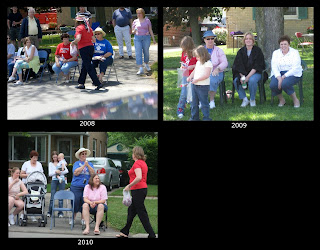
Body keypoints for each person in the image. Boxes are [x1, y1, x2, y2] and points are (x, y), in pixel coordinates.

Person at [116, 146, 156, 238]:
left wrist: (129, 186)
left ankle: (152, 234)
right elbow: (138, 175)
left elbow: (139, 177)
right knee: (131, 211)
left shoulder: (137, 163)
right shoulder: (143, 163)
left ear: (135, 154)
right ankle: (125, 231)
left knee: (141, 212)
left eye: (133, 153)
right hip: (141, 190)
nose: (132, 155)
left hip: (138, 190)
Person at [232, 32, 266, 107]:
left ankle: (252, 99)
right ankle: (244, 99)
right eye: (246, 39)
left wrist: (247, 77)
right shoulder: (240, 51)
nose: (248, 40)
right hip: (243, 73)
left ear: (253, 41)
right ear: (244, 41)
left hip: (256, 73)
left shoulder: (258, 51)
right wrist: (243, 76)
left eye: (250, 39)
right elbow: (238, 65)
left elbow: (257, 66)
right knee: (236, 80)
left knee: (252, 80)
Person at [269, 35, 302, 108]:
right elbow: (274, 66)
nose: (283, 46)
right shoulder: (276, 53)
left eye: (285, 44)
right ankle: (281, 100)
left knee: (285, 84)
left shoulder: (295, 52)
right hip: (279, 72)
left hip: (293, 73)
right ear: (279, 45)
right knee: (273, 85)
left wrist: (283, 77)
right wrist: (278, 77)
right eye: (281, 44)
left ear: (289, 44)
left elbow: (295, 67)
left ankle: (295, 100)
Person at [71, 15, 103, 90]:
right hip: (90, 47)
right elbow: (94, 40)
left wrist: (73, 42)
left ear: (78, 21)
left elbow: (78, 38)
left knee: (88, 66)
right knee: (84, 66)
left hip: (83, 48)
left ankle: (97, 83)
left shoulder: (79, 28)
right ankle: (81, 83)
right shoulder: (89, 28)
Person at [203, 30, 228, 108]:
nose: (210, 40)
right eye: (208, 39)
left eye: (212, 38)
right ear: (204, 40)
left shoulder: (219, 50)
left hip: (217, 72)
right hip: (203, 72)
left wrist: (218, 68)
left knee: (212, 79)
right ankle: (201, 100)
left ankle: (211, 101)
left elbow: (225, 62)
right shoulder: (201, 50)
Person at [187, 45, 213, 121]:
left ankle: (206, 118)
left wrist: (197, 79)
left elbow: (206, 75)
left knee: (204, 103)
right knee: (194, 103)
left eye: (198, 57)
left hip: (203, 86)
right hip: (195, 85)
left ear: (203, 55)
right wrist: (190, 77)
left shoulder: (208, 63)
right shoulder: (198, 62)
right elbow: (194, 71)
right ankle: (194, 117)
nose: (197, 58)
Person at [70, 148, 95, 226]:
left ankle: (83, 218)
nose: (84, 155)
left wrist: (87, 165)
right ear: (79, 156)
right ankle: (73, 218)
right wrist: (84, 165)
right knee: (75, 201)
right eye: (82, 154)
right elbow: (76, 173)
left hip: (86, 186)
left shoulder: (90, 164)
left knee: (85, 202)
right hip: (76, 186)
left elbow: (93, 174)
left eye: (85, 154)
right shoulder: (76, 164)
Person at [177, 36, 197, 119]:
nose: (183, 49)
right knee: (183, 93)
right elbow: (182, 62)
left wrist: (192, 66)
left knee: (192, 93)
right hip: (185, 75)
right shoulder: (183, 53)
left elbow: (199, 64)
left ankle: (194, 109)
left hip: (194, 75)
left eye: (184, 47)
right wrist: (182, 66)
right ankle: (180, 109)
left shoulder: (195, 53)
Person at [132, 8, 156, 75]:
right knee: (138, 53)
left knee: (146, 51)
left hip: (146, 38)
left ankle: (146, 64)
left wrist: (153, 39)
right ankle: (140, 68)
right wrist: (134, 31)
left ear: (143, 14)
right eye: (137, 13)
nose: (138, 15)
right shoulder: (135, 21)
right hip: (137, 38)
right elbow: (132, 31)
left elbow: (150, 30)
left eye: (140, 13)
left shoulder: (147, 21)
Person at [47, 151, 69, 218]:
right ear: (52, 157)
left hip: (61, 180)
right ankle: (50, 212)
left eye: (56, 157)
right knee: (52, 196)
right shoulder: (51, 164)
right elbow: (50, 174)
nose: (55, 158)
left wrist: (60, 172)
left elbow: (66, 171)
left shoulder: (61, 162)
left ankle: (60, 212)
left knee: (61, 196)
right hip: (54, 180)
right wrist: (55, 172)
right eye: (54, 157)